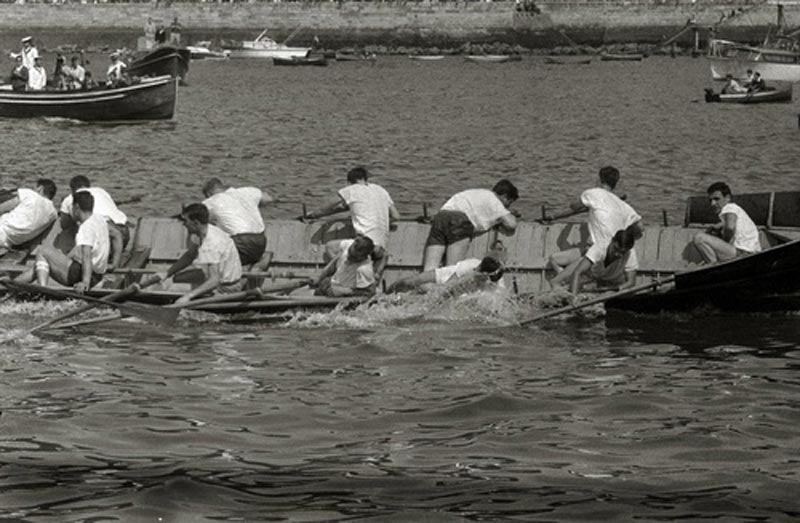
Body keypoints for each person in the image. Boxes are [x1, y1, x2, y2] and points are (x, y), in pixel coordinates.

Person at [548, 166, 643, 285]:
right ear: (616, 183)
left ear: (599, 179)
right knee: (555, 259)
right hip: (607, 254)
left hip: (597, 253)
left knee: (554, 265)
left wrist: (586, 205)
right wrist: (626, 235)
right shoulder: (623, 205)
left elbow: (573, 206)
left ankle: (565, 282)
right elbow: (640, 229)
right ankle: (569, 280)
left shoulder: (593, 193)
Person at [304, 167, 400, 281]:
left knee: (330, 246)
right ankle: (374, 273)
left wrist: (313, 214)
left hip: (364, 246)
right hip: (380, 247)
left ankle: (346, 274)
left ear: (349, 182)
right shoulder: (381, 190)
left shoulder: (351, 190)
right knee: (378, 253)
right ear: (365, 179)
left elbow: (328, 205)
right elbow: (396, 216)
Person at [140, 203, 244, 305]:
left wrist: (188, 296)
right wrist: (167, 273)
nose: (183, 224)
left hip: (225, 288)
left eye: (186, 221)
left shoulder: (211, 243)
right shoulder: (203, 232)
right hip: (219, 280)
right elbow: (190, 255)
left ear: (196, 223)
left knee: (166, 288)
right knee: (176, 279)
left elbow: (214, 280)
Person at [15, 191, 109, 293]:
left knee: (42, 251)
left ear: (76, 207)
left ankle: (42, 290)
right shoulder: (100, 219)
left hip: (83, 276)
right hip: (97, 276)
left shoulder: (86, 227)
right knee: (41, 266)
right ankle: (13, 284)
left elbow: (87, 256)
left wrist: (85, 282)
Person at [421, 179, 519, 271]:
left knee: (430, 269)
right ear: (505, 196)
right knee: (452, 270)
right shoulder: (494, 200)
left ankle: (425, 287)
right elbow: (511, 224)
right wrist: (509, 214)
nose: (507, 207)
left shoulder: (478, 193)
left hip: (441, 217)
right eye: (508, 203)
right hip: (459, 221)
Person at [59, 176, 129, 271]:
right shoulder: (101, 191)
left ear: (72, 189)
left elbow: (64, 224)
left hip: (110, 235)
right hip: (125, 232)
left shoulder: (70, 198)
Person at [202, 177, 273, 268]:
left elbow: (196, 216)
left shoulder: (211, 201)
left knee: (209, 257)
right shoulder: (248, 191)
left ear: (209, 193)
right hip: (261, 240)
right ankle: (259, 263)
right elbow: (269, 199)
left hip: (241, 241)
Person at [388, 241, 507, 294]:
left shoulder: (496, 285)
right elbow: (448, 287)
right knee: (410, 282)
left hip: (462, 289)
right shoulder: (470, 265)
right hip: (448, 275)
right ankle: (387, 292)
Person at [550, 225, 639, 295]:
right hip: (592, 274)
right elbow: (577, 272)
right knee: (579, 263)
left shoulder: (630, 253)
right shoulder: (600, 247)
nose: (617, 254)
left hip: (610, 280)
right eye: (615, 249)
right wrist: (573, 298)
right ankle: (558, 282)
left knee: (629, 292)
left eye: (622, 252)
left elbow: (631, 282)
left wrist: (614, 289)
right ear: (612, 241)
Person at [692, 182, 762, 264]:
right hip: (752, 253)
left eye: (716, 199)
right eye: (710, 200)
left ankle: (712, 265)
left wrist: (725, 241)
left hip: (743, 254)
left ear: (727, 198)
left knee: (699, 237)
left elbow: (730, 228)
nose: (712, 203)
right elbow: (730, 224)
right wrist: (718, 227)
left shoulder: (729, 207)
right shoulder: (736, 209)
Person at [0, 179, 57, 253]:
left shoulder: (30, 195)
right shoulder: (53, 213)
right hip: (8, 242)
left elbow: (5, 204)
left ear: (40, 188)